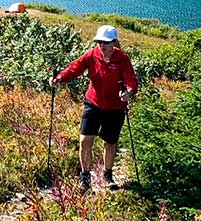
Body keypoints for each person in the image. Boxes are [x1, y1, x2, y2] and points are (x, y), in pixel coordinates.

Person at [51, 25, 138, 192]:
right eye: (99, 42)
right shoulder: (92, 55)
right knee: (85, 141)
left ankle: (107, 174)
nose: (101, 45)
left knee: (110, 143)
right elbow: (75, 68)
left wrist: (128, 92)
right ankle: (85, 176)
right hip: (93, 103)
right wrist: (60, 78)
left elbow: (131, 80)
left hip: (115, 108)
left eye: (105, 42)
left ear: (114, 42)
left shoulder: (122, 59)